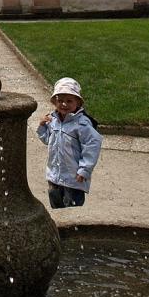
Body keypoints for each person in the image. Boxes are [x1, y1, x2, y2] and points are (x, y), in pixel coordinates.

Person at [36, 77, 103, 209]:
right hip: (54, 176)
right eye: (60, 101)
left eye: (69, 101)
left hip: (73, 178)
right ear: (55, 102)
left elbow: (92, 145)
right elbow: (47, 140)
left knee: (72, 210)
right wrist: (42, 126)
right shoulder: (53, 120)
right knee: (56, 207)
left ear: (78, 102)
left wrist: (84, 169)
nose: (64, 104)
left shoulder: (81, 123)